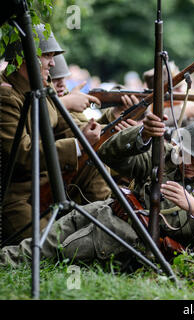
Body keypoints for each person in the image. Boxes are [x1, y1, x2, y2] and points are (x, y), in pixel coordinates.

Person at [0, 113, 194, 267]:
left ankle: (8, 263)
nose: (187, 162)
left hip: (125, 235)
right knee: (48, 238)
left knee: (53, 252)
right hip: (107, 210)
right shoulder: (164, 157)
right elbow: (109, 154)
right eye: (185, 153)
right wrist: (142, 135)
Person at [0, 24, 103, 243]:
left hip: (47, 187)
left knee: (93, 163)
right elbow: (22, 154)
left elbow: (64, 128)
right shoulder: (6, 96)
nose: (53, 63)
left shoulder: (38, 88)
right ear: (24, 58)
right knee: (48, 250)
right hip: (18, 196)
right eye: (46, 55)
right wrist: (78, 145)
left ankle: (103, 220)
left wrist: (86, 136)